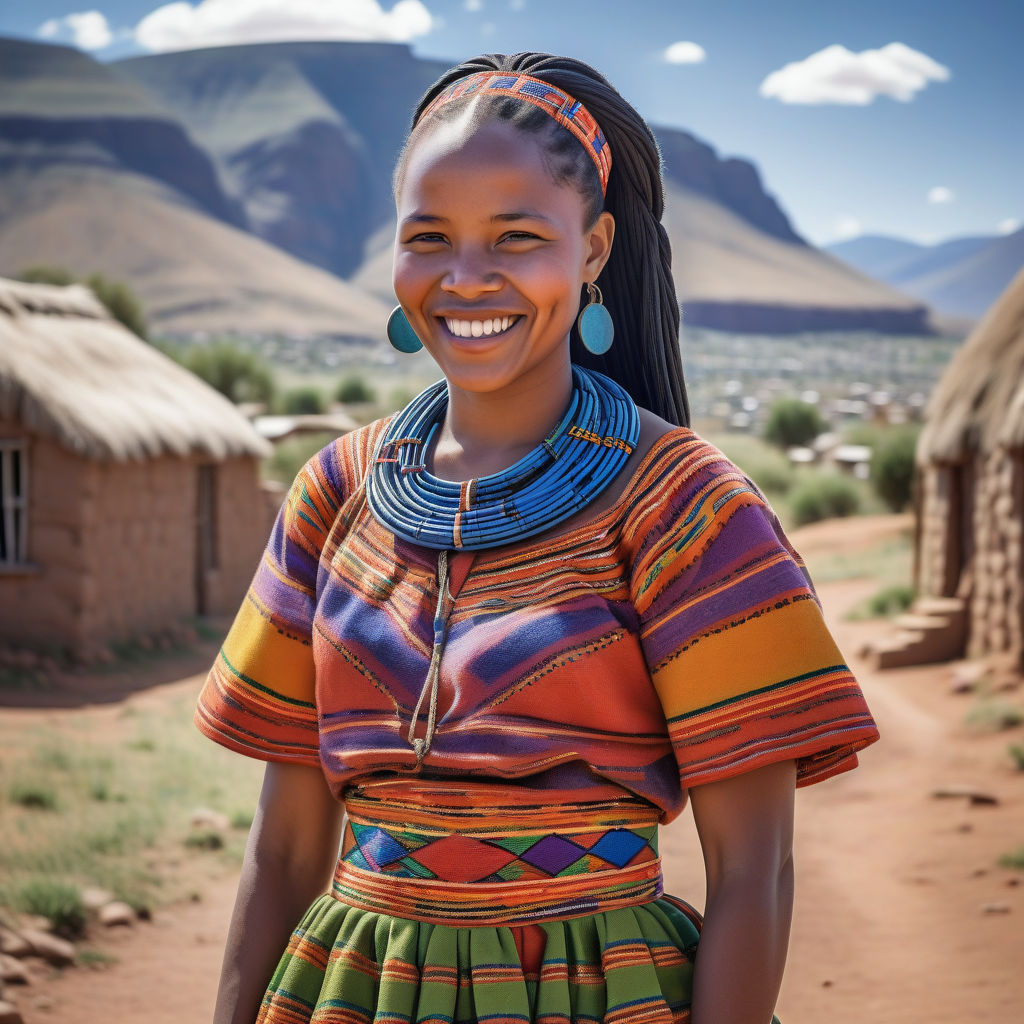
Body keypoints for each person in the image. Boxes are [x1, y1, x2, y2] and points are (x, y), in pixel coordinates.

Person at [194, 51, 881, 1024]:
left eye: (516, 237)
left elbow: (753, 870)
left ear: (593, 249)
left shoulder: (684, 506)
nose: (465, 278)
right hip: (355, 995)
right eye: (427, 237)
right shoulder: (332, 494)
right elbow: (283, 853)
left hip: (595, 993)